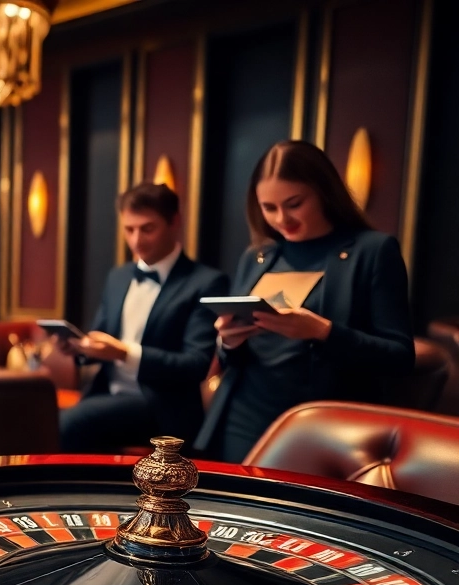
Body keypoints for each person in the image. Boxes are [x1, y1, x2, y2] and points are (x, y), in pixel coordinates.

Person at [195, 140, 413, 463]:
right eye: (269, 208)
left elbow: (400, 357)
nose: (282, 219)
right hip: (244, 415)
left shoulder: (373, 251)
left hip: (324, 424)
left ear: (324, 191)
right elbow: (231, 359)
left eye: (294, 203)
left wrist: (322, 331)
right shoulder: (258, 257)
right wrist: (228, 343)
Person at [58, 182, 229, 453]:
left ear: (175, 222)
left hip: (162, 406)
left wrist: (125, 353)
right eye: (129, 229)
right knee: (36, 416)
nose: (136, 240)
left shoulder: (206, 283)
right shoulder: (118, 276)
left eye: (147, 229)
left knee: (67, 424)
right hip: (106, 394)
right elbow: (99, 337)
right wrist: (78, 348)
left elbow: (195, 364)